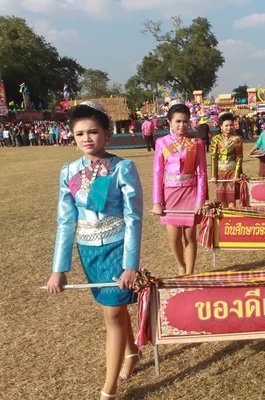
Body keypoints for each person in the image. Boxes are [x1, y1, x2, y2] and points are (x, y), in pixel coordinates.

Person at [46, 102, 144, 400]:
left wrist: (130, 265)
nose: (86, 138)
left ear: (107, 134)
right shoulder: (68, 172)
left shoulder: (121, 168)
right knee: (112, 308)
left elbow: (134, 217)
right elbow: (65, 222)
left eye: (93, 132)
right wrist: (59, 269)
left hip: (117, 247)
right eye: (79, 134)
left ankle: (109, 389)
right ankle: (132, 353)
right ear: (72, 137)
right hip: (88, 252)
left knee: (113, 314)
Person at [152, 100, 208, 275]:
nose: (182, 125)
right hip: (171, 194)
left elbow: (202, 173)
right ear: (170, 122)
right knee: (174, 238)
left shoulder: (197, 143)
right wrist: (157, 201)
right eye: (178, 121)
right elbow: (157, 173)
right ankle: (180, 266)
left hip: (191, 193)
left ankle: (190, 274)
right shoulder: (161, 143)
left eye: (185, 121)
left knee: (190, 237)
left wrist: (201, 200)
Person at [210, 112, 243, 208]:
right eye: (226, 125)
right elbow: (213, 158)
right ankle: (224, 222)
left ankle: (231, 221)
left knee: (231, 199)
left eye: (231, 125)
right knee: (222, 199)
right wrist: (213, 175)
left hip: (232, 172)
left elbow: (239, 158)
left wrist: (237, 175)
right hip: (220, 173)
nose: (229, 128)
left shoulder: (237, 139)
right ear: (221, 126)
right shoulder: (216, 139)